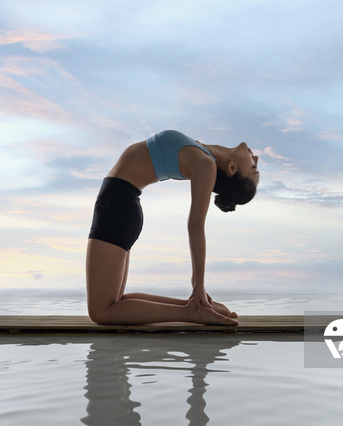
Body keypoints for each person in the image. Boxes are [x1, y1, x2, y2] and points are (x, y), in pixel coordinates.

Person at [86, 130, 259, 326]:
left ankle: (192, 312)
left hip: (117, 206)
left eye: (254, 167)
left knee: (102, 311)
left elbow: (196, 225)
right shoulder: (206, 154)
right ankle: (193, 307)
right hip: (119, 204)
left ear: (232, 167)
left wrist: (198, 285)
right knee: (116, 302)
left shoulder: (205, 164)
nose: (256, 158)